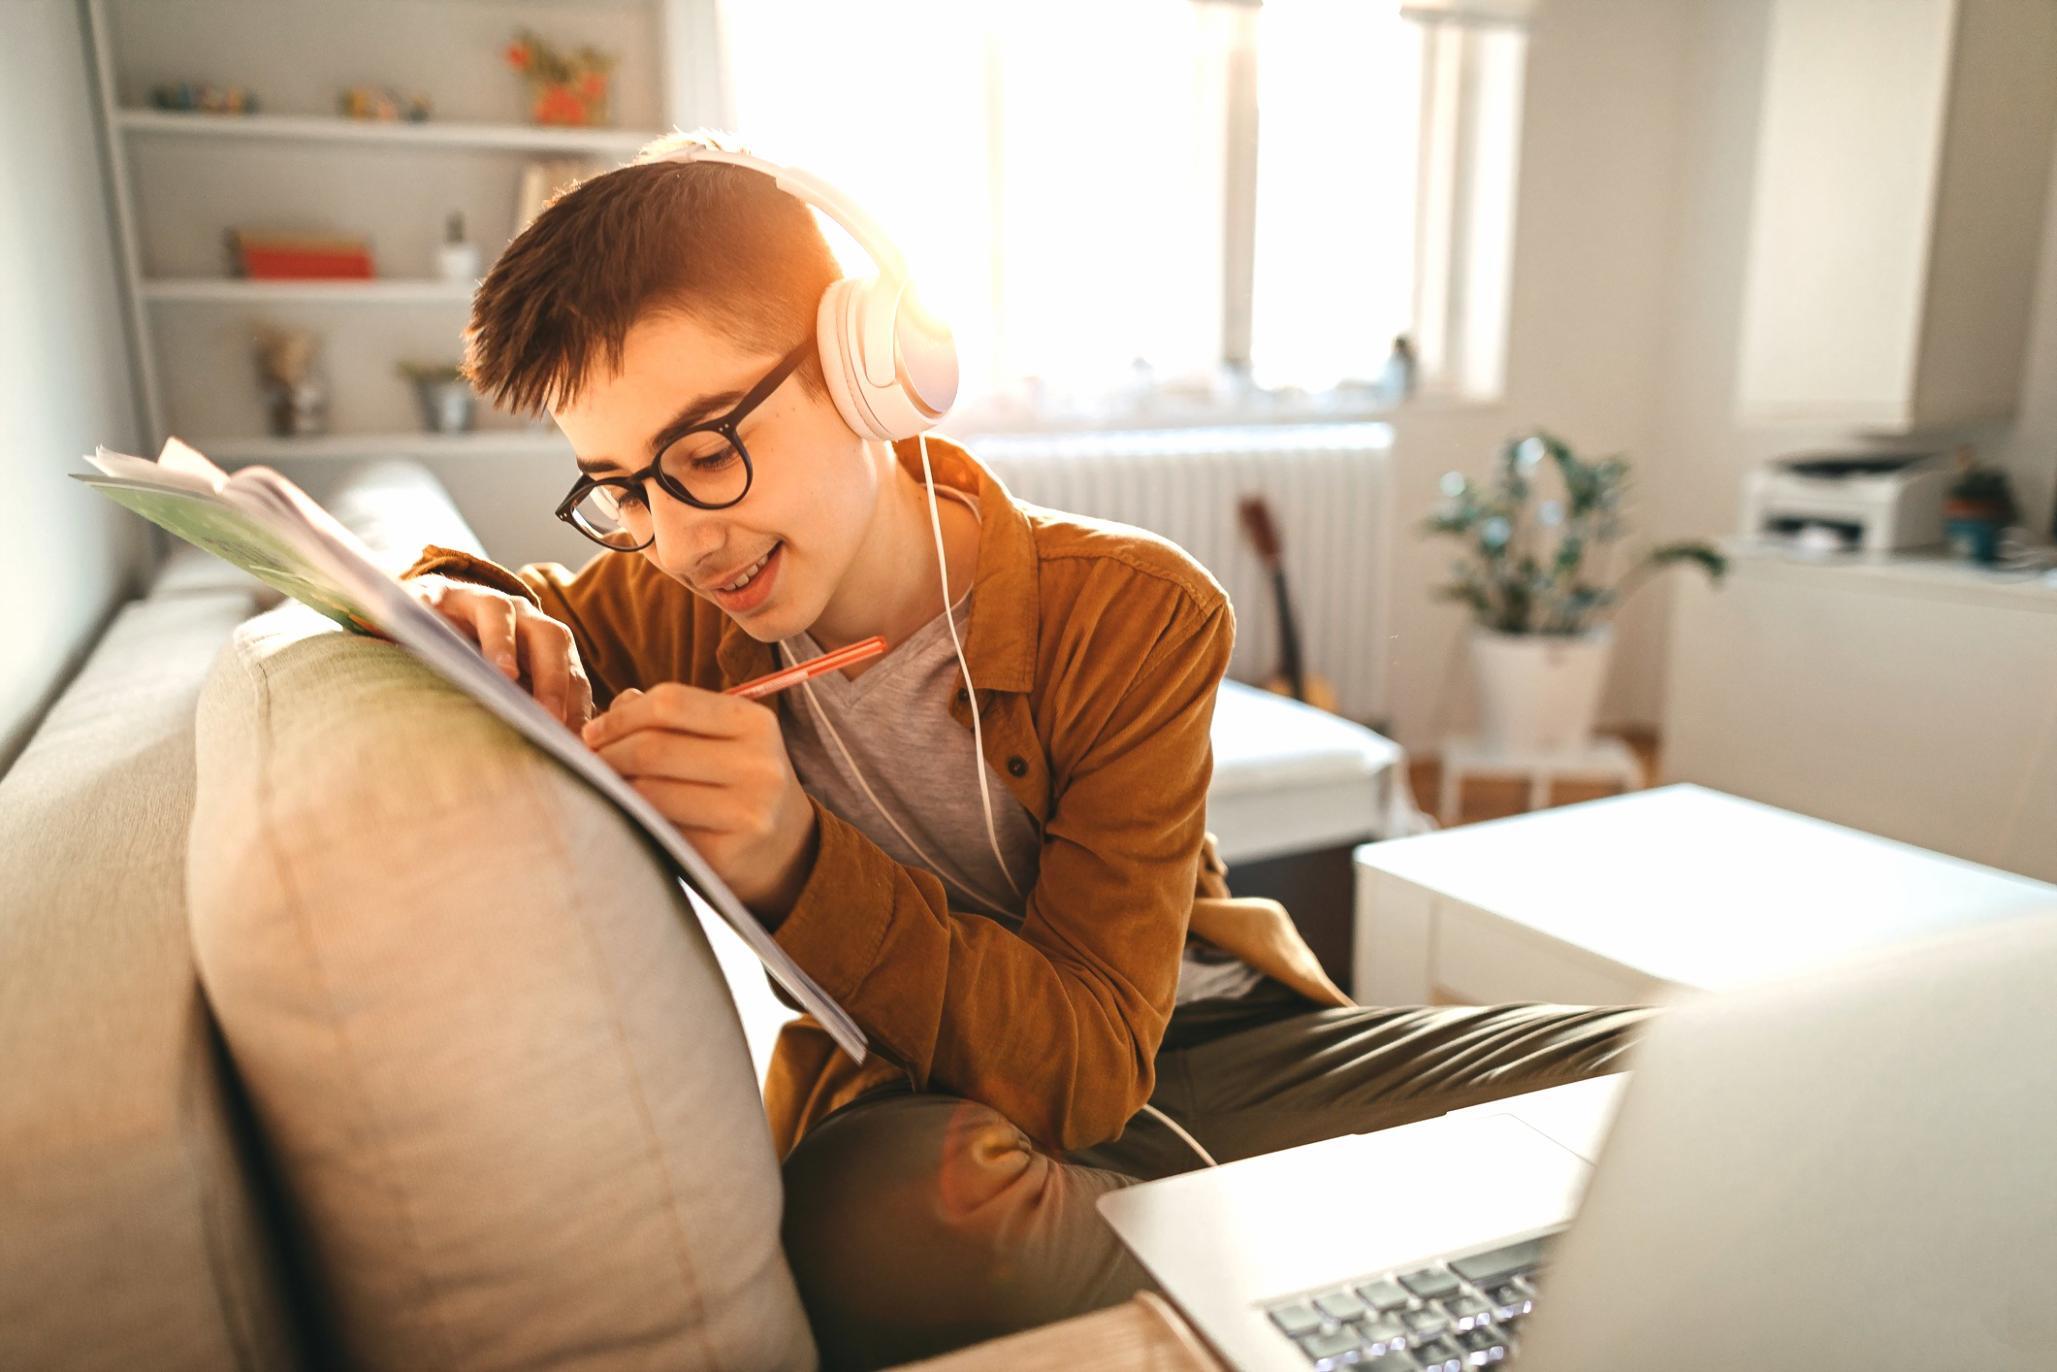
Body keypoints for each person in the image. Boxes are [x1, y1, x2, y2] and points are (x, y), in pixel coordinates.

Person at [398, 128, 1652, 1370]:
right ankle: (1328, 1264)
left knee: (1669, 1087)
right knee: (897, 1225)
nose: (679, 542)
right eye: (622, 489)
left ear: (864, 369)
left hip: (1204, 1043)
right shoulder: (667, 604)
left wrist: (798, 860)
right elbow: (489, 591)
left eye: (705, 454)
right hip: (922, 1105)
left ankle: (1288, 1277)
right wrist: (456, 598)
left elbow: (1096, 1066)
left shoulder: (1136, 611)